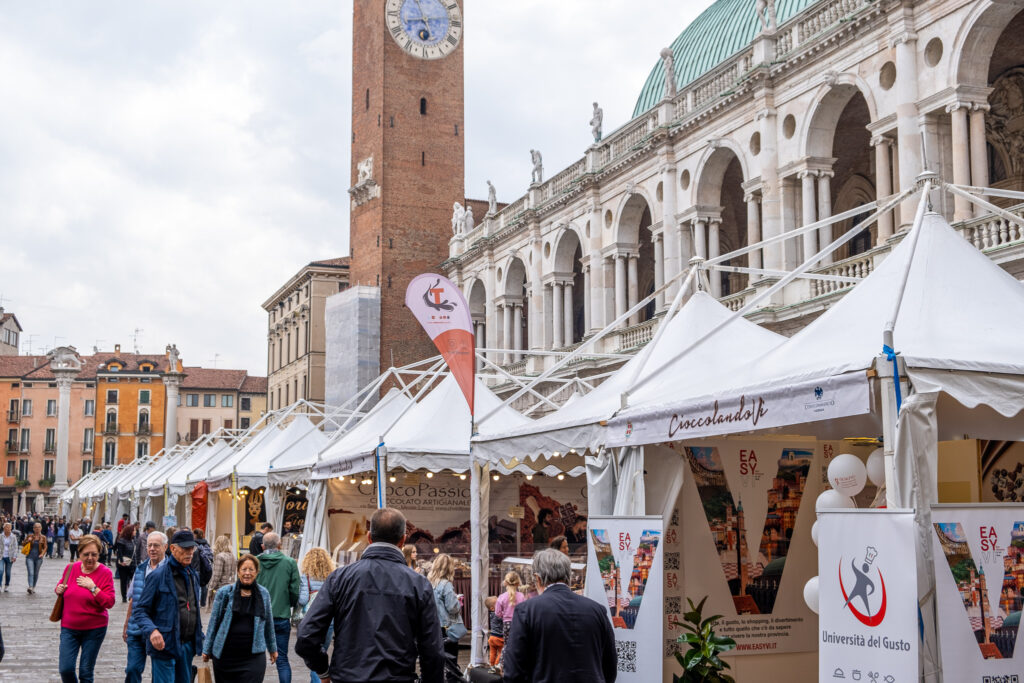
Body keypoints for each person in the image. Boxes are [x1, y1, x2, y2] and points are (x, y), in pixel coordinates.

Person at [295, 507, 444, 683]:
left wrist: (323, 671)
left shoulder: (340, 578)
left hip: (347, 676)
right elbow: (433, 650)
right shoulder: (419, 584)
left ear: (369, 537)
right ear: (403, 540)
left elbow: (306, 636)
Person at [502, 549, 617, 683]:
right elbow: (610, 666)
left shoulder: (526, 610)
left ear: (538, 579)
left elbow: (513, 670)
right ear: (568, 577)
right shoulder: (597, 610)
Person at [134, 529, 205, 683]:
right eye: (185, 549)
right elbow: (140, 611)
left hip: (187, 645)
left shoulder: (192, 575)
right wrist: (152, 631)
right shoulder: (158, 576)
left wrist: (201, 637)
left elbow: (194, 609)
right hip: (164, 645)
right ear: (172, 548)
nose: (189, 553)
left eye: (191, 548)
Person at [203, 555, 277, 680]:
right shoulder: (225, 593)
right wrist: (207, 649)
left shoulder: (263, 594)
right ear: (238, 571)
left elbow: (268, 623)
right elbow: (213, 623)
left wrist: (272, 648)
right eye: (244, 569)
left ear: (257, 572)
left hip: (253, 656)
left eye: (251, 569)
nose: (247, 573)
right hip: (225, 657)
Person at [55, 534, 116, 683]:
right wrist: (58, 589)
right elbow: (60, 585)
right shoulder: (71, 568)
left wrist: (93, 588)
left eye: (94, 554)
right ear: (79, 553)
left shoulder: (105, 573)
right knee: (66, 669)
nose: (90, 558)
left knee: (85, 672)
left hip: (94, 629)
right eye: (86, 554)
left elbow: (109, 602)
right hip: (69, 627)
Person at [123, 531, 168, 683]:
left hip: (159, 629)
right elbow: (133, 599)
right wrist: (126, 624)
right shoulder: (141, 568)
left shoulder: (171, 571)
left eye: (156, 545)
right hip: (137, 628)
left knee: (159, 673)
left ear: (165, 547)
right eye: (149, 545)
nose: (152, 549)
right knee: (132, 669)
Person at [256, 532, 300, 683]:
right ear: (280, 545)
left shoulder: (254, 562)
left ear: (262, 546)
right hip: (281, 616)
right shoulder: (290, 563)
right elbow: (295, 590)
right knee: (282, 660)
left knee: (256, 659)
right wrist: (290, 604)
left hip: (259, 617)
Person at [297, 547, 335, 683]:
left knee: (314, 656)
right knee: (323, 651)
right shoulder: (333, 576)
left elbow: (303, 599)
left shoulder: (306, 576)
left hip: (312, 620)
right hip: (330, 620)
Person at [495, 570, 527, 648]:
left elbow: (497, 613)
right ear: (518, 583)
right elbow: (525, 611)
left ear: (505, 583)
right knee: (519, 646)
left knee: (507, 646)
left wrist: (505, 616)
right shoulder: (522, 596)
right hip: (518, 623)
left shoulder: (501, 597)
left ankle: (505, 659)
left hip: (507, 624)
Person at [208, 534, 235, 608]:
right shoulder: (232, 556)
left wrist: (210, 589)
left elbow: (216, 576)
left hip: (221, 588)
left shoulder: (219, 556)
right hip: (231, 586)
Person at [113, 524, 138, 603]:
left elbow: (135, 553)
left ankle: (131, 596)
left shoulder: (133, 540)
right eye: (134, 530)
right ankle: (124, 597)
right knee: (124, 581)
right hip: (123, 565)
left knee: (133, 580)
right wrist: (121, 561)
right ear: (130, 531)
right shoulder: (121, 540)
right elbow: (119, 552)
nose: (135, 532)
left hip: (132, 564)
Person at [24, 521, 47, 594]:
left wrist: (42, 554)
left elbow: (45, 547)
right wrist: (28, 540)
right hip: (29, 557)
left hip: (38, 557)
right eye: (36, 527)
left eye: (39, 527)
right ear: (33, 528)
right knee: (31, 572)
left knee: (36, 573)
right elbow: (23, 543)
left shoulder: (43, 537)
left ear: (41, 528)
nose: (37, 529)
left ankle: (33, 587)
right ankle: (30, 586)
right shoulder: (30, 536)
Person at [486, 596, 503, 666]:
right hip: (499, 638)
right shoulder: (498, 615)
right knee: (502, 652)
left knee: (492, 653)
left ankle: (492, 665)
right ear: (492, 608)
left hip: (492, 637)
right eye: (498, 605)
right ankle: (496, 665)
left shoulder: (491, 614)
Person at [0, 523, 17, 592]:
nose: (8, 529)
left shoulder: (13, 537)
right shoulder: (1, 536)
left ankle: (7, 585)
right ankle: (0, 585)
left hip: (10, 556)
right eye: (6, 527)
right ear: (4, 528)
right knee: (0, 571)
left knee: (8, 572)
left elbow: (15, 547)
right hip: (1, 556)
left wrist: (14, 556)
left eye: (9, 527)